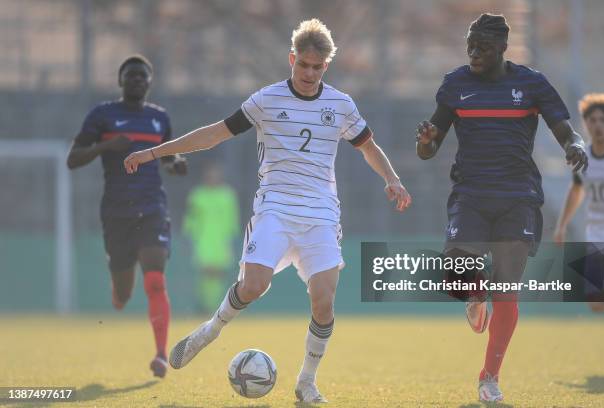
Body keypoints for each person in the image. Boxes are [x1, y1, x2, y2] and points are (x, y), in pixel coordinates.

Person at [125, 19, 411, 403]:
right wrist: (155, 151)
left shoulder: (341, 105)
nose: (309, 73)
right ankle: (210, 330)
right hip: (275, 209)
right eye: (303, 65)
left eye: (317, 67)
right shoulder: (267, 100)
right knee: (254, 285)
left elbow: (368, 147)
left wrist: (391, 178)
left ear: (327, 65)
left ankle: (306, 382)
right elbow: (215, 132)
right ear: (292, 58)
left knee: (324, 301)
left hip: (321, 215)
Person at [415, 14, 587, 402]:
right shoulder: (455, 84)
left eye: (483, 47)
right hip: (471, 195)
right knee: (456, 275)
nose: (474, 53)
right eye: (470, 46)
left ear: (503, 48)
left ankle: (489, 377)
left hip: (518, 197)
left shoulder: (531, 83)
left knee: (507, 290)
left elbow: (564, 126)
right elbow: (428, 149)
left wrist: (573, 145)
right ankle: (474, 299)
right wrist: (425, 142)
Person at [66, 54, 187, 378]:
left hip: (152, 208)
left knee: (155, 279)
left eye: (142, 76)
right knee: (124, 293)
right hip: (116, 211)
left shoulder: (159, 119)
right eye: (130, 75)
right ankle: (119, 288)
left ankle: (161, 355)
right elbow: (73, 159)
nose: (136, 80)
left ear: (149, 83)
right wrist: (105, 147)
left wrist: (174, 164)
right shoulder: (102, 115)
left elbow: (166, 156)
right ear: (120, 81)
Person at [554, 93, 604, 313]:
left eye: (603, 120)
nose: (597, 125)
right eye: (592, 120)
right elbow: (577, 189)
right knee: (596, 304)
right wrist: (561, 225)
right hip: (596, 235)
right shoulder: (583, 157)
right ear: (585, 124)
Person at [182, 162, 240, 313]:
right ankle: (205, 305)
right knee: (205, 272)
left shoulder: (227, 194)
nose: (212, 178)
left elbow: (232, 218)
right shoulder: (197, 195)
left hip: (221, 239)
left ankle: (217, 306)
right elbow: (191, 218)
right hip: (203, 239)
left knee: (219, 273)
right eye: (209, 175)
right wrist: (189, 234)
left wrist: (232, 237)